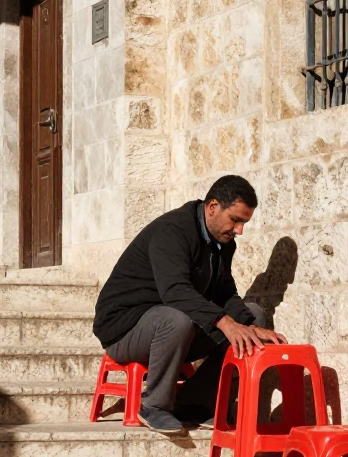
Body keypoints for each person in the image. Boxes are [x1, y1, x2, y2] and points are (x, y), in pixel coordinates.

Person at [93, 174, 287, 433]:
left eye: (244, 223)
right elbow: (175, 291)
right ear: (213, 207)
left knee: (255, 316)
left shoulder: (223, 242)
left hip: (178, 331)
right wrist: (224, 322)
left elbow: (225, 291)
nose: (239, 229)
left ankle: (196, 402)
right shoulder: (172, 230)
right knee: (176, 319)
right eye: (236, 219)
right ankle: (154, 405)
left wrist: (249, 324)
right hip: (124, 330)